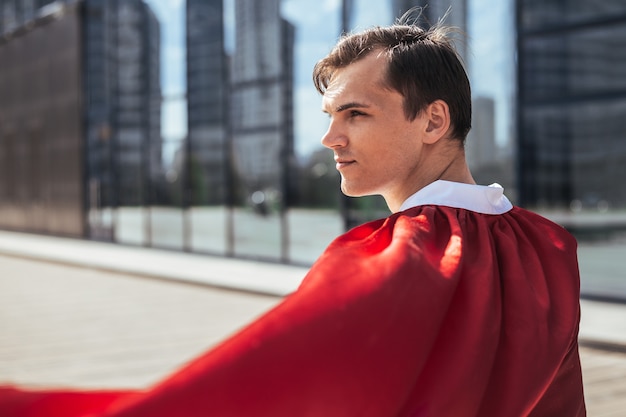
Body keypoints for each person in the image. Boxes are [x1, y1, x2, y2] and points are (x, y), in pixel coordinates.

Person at [0, 16, 586, 417]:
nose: (330, 137)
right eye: (330, 115)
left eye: (355, 113)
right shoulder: (545, 245)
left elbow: (262, 392)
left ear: (433, 122)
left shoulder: (397, 256)